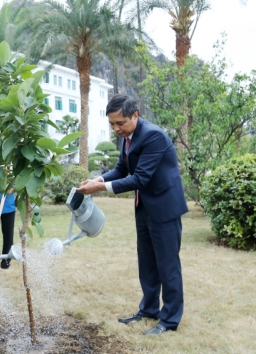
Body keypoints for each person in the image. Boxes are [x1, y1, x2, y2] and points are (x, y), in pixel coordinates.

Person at [76, 94, 188, 335]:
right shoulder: (128, 136)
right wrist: (99, 178)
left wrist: (100, 188)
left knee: (167, 265)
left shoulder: (153, 136)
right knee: (147, 262)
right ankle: (149, 310)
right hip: (144, 207)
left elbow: (140, 178)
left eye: (121, 123)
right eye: (112, 124)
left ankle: (169, 320)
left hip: (165, 208)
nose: (116, 129)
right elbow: (122, 169)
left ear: (135, 115)